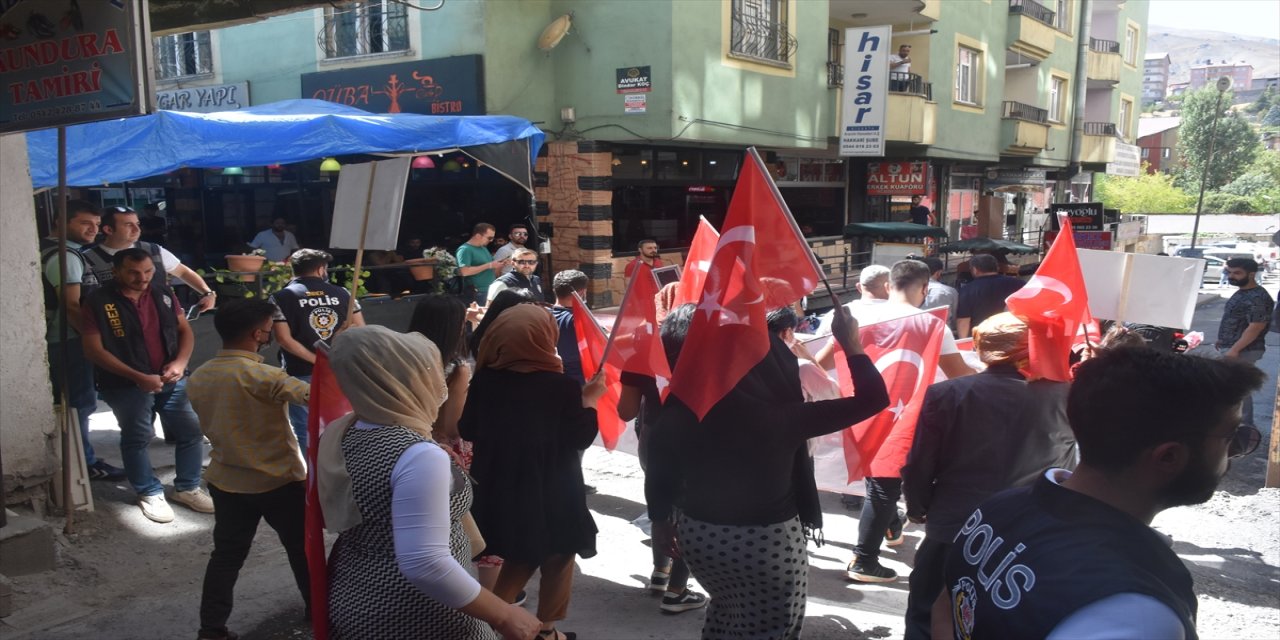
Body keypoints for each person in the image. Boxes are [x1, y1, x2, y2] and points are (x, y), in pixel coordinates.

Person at [938, 347, 1264, 639]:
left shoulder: (1001, 506)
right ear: (1169, 457)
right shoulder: (1137, 616)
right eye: (1231, 436)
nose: (1234, 452)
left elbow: (946, 611)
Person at [645, 304, 890, 639]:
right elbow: (873, 398)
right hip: (765, 544)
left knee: (725, 613)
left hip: (698, 536)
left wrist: (660, 520)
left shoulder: (676, 410)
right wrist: (851, 344)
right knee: (771, 629)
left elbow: (659, 467)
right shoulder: (777, 417)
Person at [318, 326, 541, 640]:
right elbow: (425, 563)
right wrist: (504, 614)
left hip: (355, 593)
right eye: (422, 373)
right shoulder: (417, 454)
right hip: (421, 611)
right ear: (398, 381)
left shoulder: (341, 431)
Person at [900, 313, 1075, 639]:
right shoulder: (1066, 397)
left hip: (953, 526)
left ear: (981, 348)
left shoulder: (948, 393)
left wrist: (917, 507)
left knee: (927, 611)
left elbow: (920, 464)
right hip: (1026, 534)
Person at [817, 260, 973, 583]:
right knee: (884, 484)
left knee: (879, 479)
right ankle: (864, 560)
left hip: (859, 411)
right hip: (902, 414)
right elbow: (960, 375)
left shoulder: (855, 317)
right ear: (925, 289)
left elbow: (820, 365)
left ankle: (891, 527)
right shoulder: (932, 325)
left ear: (889, 286)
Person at [460, 305, 606, 640]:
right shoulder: (560, 386)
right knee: (558, 551)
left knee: (522, 552)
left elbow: (467, 428)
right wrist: (591, 399)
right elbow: (580, 437)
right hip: (555, 487)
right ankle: (540, 628)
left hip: (502, 486)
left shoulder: (486, 380)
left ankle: (495, 624)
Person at [187, 299, 311, 640]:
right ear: (258, 334)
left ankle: (211, 629)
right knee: (302, 550)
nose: (270, 334)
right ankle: (318, 610)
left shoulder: (199, 375)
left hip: (226, 481)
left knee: (226, 556)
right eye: (269, 329)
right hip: (278, 482)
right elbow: (315, 396)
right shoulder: (265, 376)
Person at [80, 248, 212, 523]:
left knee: (191, 432)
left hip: (171, 378)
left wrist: (180, 363)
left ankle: (187, 487)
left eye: (148, 271)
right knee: (138, 437)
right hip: (124, 384)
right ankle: (149, 491)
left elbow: (184, 330)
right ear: (115, 272)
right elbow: (93, 350)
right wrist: (137, 376)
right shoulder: (98, 300)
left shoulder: (162, 292)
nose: (142, 278)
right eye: (133, 273)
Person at [616, 304, 709, 614]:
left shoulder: (641, 356)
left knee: (660, 505)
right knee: (689, 512)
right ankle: (677, 590)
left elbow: (626, 411)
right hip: (695, 440)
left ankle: (659, 573)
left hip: (653, 440)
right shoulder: (709, 356)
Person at [40, 200, 126, 481]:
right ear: (61, 221)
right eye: (85, 223)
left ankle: (77, 458)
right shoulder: (64, 256)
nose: (93, 229)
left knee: (71, 403)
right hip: (67, 340)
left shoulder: (50, 248)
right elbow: (71, 306)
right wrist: (96, 344)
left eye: (97, 224)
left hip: (58, 340)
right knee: (79, 403)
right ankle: (83, 464)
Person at [270, 249, 365, 452]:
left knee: (306, 430)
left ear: (293, 269)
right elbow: (360, 329)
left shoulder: (280, 297)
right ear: (321, 269)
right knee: (345, 424)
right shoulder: (344, 293)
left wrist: (318, 360)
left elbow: (284, 340)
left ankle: (314, 471)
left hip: (300, 372)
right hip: (340, 370)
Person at [82, 206, 218, 315]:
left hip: (164, 324)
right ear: (108, 229)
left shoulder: (153, 251)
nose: (137, 229)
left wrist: (207, 293)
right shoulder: (87, 259)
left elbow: (183, 272)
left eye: (137, 224)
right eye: (128, 225)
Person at [1215, 257, 1273, 432]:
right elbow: (1234, 319)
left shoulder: (1258, 297)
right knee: (1233, 387)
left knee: (1239, 388)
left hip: (1244, 350)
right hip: (1233, 347)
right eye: (1230, 272)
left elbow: (1256, 327)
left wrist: (1234, 350)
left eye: (1237, 273)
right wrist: (1222, 339)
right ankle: (1237, 425)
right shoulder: (1242, 292)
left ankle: (1245, 427)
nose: (1231, 276)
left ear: (1252, 274)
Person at [955, 253, 1024, 338]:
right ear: (997, 268)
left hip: (981, 337)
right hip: (1013, 335)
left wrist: (963, 341)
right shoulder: (1019, 284)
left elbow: (963, 320)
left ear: (975, 270)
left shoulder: (967, 290)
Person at [550, 270, 589, 385]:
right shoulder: (577, 320)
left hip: (551, 377)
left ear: (554, 290)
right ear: (582, 292)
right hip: (577, 381)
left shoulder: (542, 314)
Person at [456, 223, 505, 307]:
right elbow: (464, 271)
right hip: (477, 292)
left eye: (492, 238)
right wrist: (489, 265)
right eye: (489, 238)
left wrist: (500, 263)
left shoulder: (483, 248)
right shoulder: (465, 249)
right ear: (478, 236)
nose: (491, 241)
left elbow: (490, 265)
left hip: (489, 289)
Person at [920, 256, 958, 332]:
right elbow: (955, 316)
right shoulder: (950, 291)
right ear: (938, 273)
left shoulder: (910, 290)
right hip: (943, 333)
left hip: (917, 332)